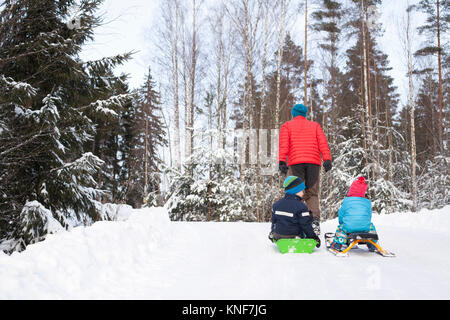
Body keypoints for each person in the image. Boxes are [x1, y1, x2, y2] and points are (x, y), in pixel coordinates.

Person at [278, 103, 332, 236]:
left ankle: (294, 222)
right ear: (305, 115)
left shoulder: (287, 126)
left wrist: (281, 161)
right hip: (313, 164)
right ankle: (314, 222)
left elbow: (284, 145)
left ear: (293, 114)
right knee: (312, 194)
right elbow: (322, 143)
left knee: (295, 193)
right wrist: (327, 159)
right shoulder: (315, 126)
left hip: (295, 163)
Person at [268, 176, 321, 248]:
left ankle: (275, 235)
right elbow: (306, 225)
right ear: (295, 190)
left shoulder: (276, 204)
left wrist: (272, 232)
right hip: (292, 237)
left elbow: (274, 222)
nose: (303, 193)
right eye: (301, 190)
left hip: (278, 236)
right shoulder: (301, 206)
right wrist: (314, 238)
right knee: (306, 222)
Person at [329, 176, 378, 253]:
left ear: (351, 190)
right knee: (371, 227)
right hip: (365, 227)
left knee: (340, 228)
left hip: (349, 227)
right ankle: (372, 244)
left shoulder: (346, 201)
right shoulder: (367, 202)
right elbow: (369, 216)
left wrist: (341, 222)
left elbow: (341, 214)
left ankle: (338, 244)